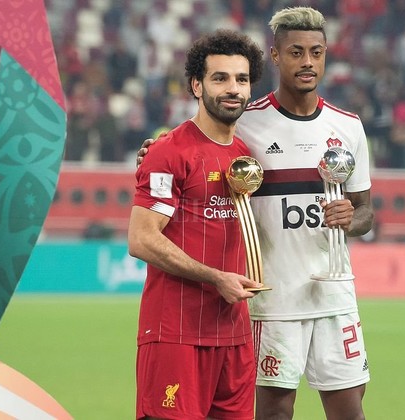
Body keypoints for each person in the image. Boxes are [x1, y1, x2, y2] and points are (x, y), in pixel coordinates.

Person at [138, 7, 374, 420]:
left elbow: (365, 211)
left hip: (334, 295)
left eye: (316, 52)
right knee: (273, 412)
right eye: (296, 52)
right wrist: (154, 151)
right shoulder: (246, 122)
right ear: (276, 56)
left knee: (350, 412)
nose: (307, 62)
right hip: (271, 297)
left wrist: (349, 218)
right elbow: (198, 139)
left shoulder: (348, 126)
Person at [127, 29, 265, 420]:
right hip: (176, 334)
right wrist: (216, 277)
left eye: (241, 79)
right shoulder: (169, 151)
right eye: (220, 78)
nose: (233, 88)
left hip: (234, 336)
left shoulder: (247, 155)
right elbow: (141, 239)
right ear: (197, 86)